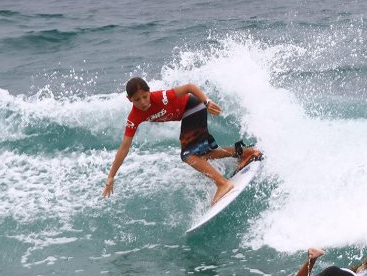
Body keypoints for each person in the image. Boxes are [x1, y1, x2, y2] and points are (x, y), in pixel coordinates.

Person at [102, 77, 261, 204]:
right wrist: (111, 177)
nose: (143, 102)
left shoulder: (161, 97)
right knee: (203, 155)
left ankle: (222, 183)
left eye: (145, 96)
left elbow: (189, 87)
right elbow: (124, 147)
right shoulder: (134, 117)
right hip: (188, 113)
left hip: (193, 106)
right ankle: (245, 152)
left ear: (149, 92)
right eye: (137, 99)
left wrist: (207, 102)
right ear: (129, 99)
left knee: (188, 156)